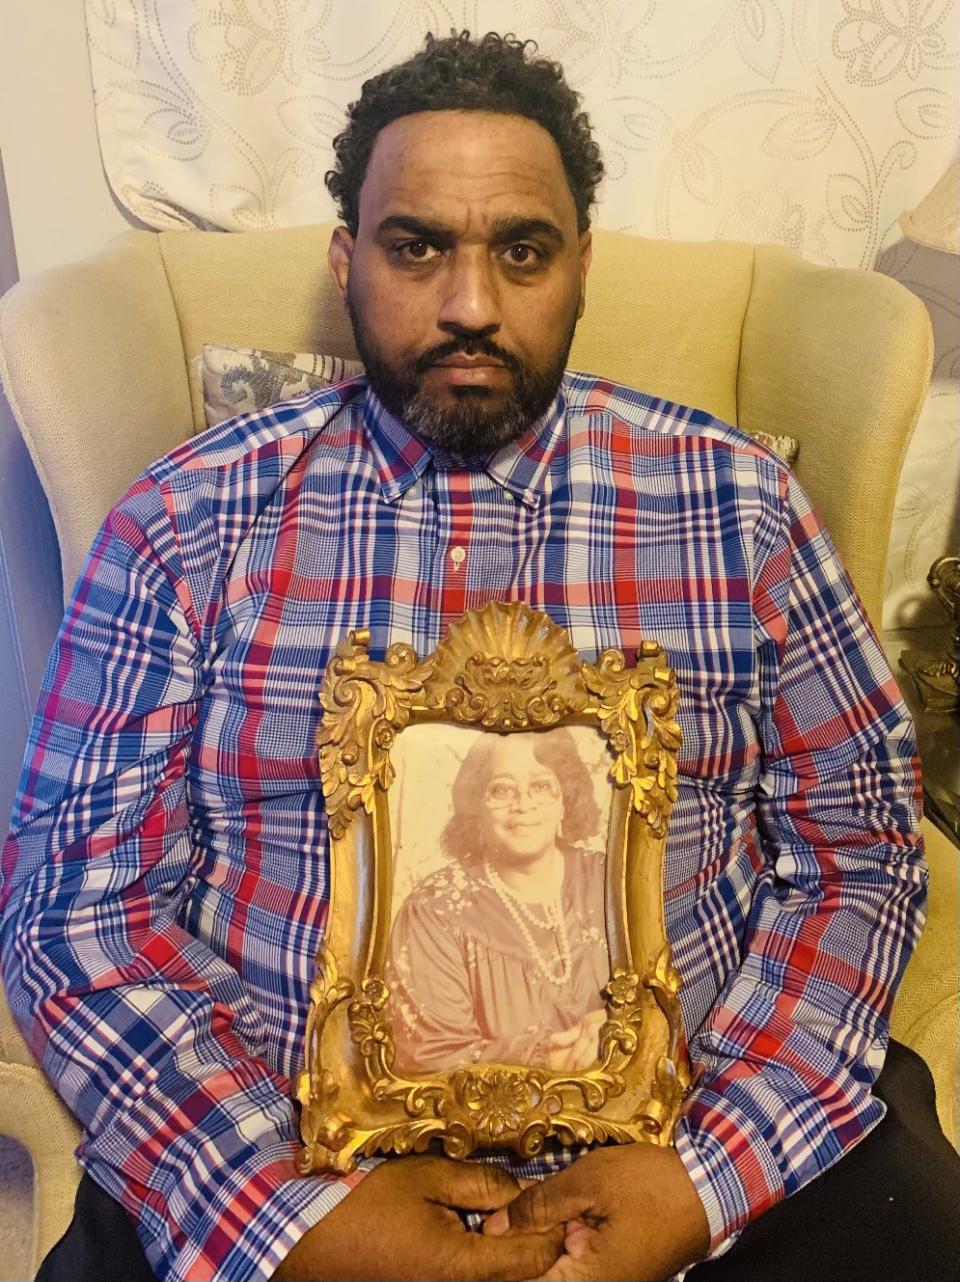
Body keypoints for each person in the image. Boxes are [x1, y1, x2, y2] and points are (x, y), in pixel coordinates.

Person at [1, 27, 957, 1282]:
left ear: (581, 267)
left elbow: (861, 842)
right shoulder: (188, 521)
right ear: (349, 260)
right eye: (417, 247)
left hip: (704, 1142)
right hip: (292, 1156)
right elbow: (76, 899)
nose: (470, 302)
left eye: (521, 250)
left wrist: (710, 1169)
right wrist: (277, 1213)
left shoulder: (739, 507)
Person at [387, 730, 608, 1073]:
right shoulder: (435, 910)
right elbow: (429, 1058)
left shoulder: (607, 881)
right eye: (502, 789)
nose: (523, 803)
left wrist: (613, 1030)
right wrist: (548, 1060)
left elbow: (661, 999)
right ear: (476, 806)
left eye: (541, 785)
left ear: (566, 799)